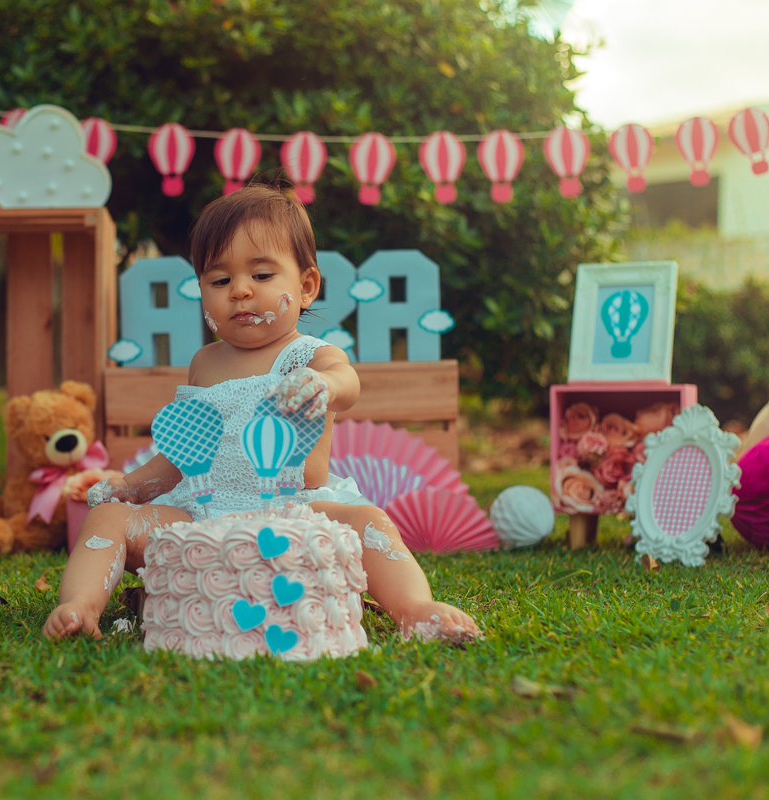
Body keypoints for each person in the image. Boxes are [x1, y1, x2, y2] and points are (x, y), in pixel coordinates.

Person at [43, 184, 480, 644]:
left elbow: (348, 384)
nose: (241, 291)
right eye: (219, 281)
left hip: (296, 507)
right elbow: (186, 449)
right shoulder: (205, 363)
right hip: (206, 510)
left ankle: (415, 608)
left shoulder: (309, 355)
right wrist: (132, 486)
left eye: (262, 275)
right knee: (109, 519)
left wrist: (325, 385)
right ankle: (81, 607)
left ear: (306, 286)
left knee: (369, 520)